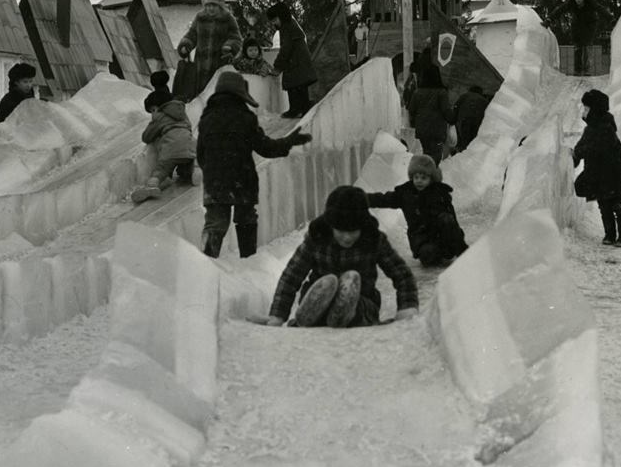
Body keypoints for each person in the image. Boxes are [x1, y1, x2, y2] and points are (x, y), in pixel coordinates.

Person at [266, 185, 419, 327]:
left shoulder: (372, 239)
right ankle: (312, 316)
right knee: (325, 288)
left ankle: (346, 312)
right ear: (331, 226)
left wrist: (407, 308)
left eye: (352, 232)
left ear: (362, 226)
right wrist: (277, 315)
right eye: (341, 231)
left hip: (362, 300)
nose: (347, 238)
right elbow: (292, 275)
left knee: (358, 297)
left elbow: (401, 273)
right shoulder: (318, 238)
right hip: (319, 301)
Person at [197, 71, 312, 258]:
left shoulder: (206, 119)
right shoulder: (245, 117)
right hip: (242, 179)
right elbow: (265, 147)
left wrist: (213, 171)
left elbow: (201, 154)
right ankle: (248, 261)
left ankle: (207, 261)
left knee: (215, 222)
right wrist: (288, 142)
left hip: (214, 180)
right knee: (246, 219)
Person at [365, 154, 468, 267]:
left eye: (423, 178)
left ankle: (459, 253)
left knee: (446, 219)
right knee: (428, 254)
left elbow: (452, 220)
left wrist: (459, 243)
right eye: (416, 177)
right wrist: (362, 198)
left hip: (442, 237)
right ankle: (433, 255)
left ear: (431, 179)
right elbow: (383, 199)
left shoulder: (439, 193)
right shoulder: (405, 194)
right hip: (421, 239)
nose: (419, 181)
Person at [572, 88, 621, 247]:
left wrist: (581, 152)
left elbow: (596, 147)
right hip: (599, 174)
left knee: (616, 203)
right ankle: (610, 234)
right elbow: (582, 146)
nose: (584, 111)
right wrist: (574, 155)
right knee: (603, 205)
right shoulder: (590, 128)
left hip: (611, 173)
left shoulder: (606, 126)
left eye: (587, 108)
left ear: (595, 109)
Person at [176, 0, 243, 97]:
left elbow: (236, 38)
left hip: (219, 63)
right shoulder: (200, 18)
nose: (210, 8)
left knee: (216, 92)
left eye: (214, 5)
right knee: (200, 94)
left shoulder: (228, 19)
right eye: (208, 5)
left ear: (220, 6)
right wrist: (186, 45)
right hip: (200, 65)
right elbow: (192, 34)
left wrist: (229, 46)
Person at [131, 98, 196, 202]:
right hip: (189, 146)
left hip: (171, 149)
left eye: (153, 110)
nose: (152, 114)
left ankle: (152, 185)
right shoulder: (183, 114)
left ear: (160, 107)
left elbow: (146, 136)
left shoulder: (160, 117)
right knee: (186, 161)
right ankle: (192, 171)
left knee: (162, 169)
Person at [266, 1, 317, 118]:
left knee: (294, 85)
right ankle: (303, 108)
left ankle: (297, 109)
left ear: (281, 16)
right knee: (299, 86)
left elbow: (285, 49)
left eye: (274, 20)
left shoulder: (287, 28)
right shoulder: (290, 26)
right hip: (298, 63)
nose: (274, 23)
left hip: (296, 64)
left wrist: (277, 66)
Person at [406, 63, 454, 165]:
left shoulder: (417, 92)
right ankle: (431, 175)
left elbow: (411, 110)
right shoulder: (441, 92)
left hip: (423, 130)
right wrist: (452, 119)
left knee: (427, 153)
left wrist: (416, 121)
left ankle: (427, 174)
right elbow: (446, 111)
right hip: (437, 131)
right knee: (436, 155)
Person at [554, 0, 606, 75]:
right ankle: (577, 70)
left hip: (590, 24)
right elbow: (560, 9)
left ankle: (586, 69)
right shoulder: (571, 2)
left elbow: (600, 9)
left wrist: (611, 19)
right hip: (576, 25)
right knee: (577, 47)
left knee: (586, 45)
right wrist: (549, 19)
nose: (578, 0)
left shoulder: (590, 2)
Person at [452, 85, 490, 152]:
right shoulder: (485, 101)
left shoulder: (465, 95)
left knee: (463, 137)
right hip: (477, 123)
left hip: (464, 120)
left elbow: (455, 108)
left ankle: (461, 150)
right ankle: (468, 151)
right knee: (472, 138)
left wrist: (453, 120)